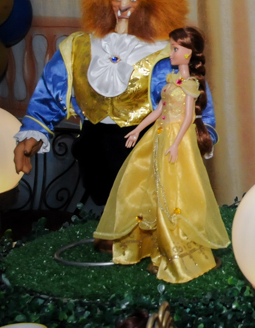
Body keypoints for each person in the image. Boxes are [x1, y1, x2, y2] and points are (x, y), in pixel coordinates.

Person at [12, 0, 218, 206]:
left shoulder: (167, 54)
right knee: (105, 209)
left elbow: (193, 102)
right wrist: (32, 136)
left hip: (147, 146)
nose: (123, 6)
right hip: (93, 147)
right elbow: (49, 92)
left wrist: (195, 138)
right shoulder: (78, 47)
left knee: (145, 212)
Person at [94, 27, 230, 283]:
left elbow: (189, 117)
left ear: (189, 54)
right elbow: (158, 110)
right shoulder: (171, 80)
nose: (171, 52)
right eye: (172, 47)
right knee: (144, 182)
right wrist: (137, 130)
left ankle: (177, 250)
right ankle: (149, 244)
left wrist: (177, 142)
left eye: (176, 48)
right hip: (157, 137)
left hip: (177, 139)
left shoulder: (191, 84)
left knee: (174, 190)